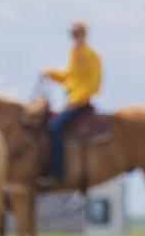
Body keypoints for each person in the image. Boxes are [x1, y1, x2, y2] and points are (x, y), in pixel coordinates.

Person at [39, 20, 102, 187]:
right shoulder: (75, 53)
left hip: (79, 102)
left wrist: (75, 100)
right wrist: (51, 73)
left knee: (54, 127)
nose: (74, 37)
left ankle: (57, 172)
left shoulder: (90, 55)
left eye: (77, 33)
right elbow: (70, 76)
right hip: (71, 100)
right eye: (72, 33)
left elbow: (94, 83)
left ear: (84, 34)